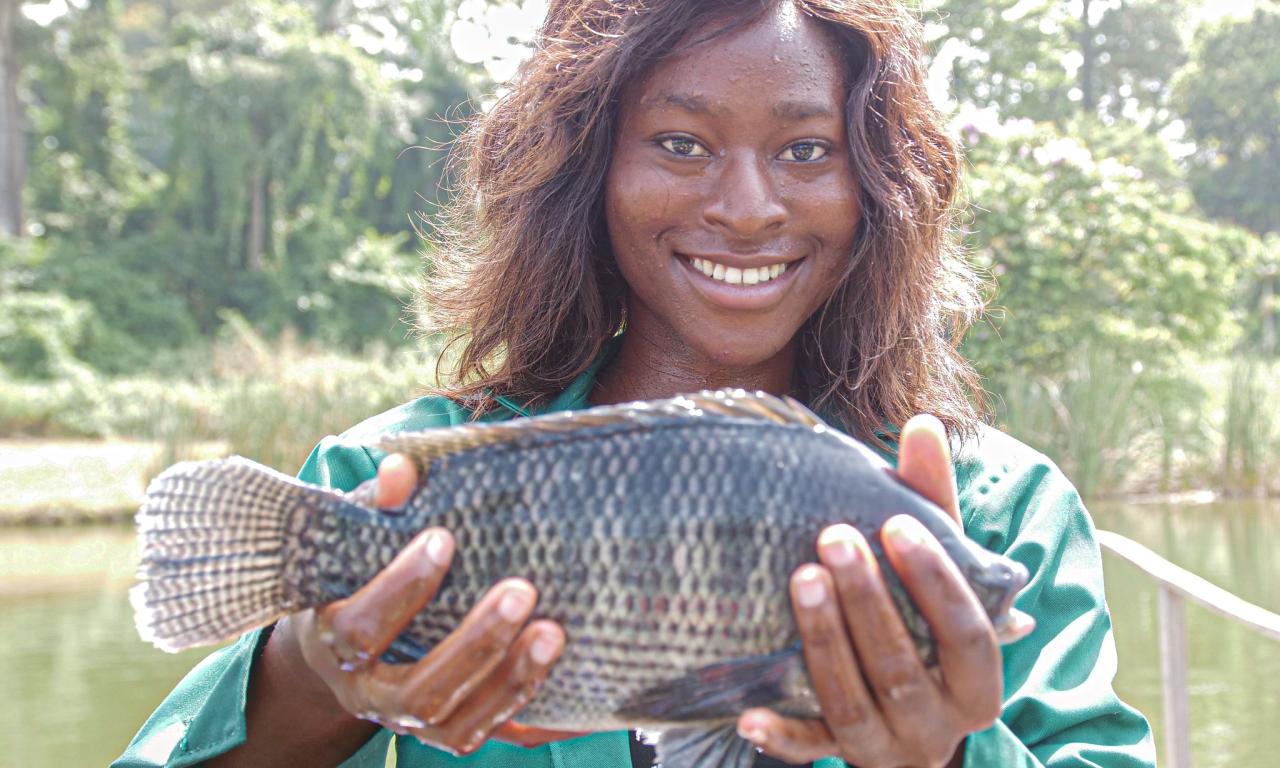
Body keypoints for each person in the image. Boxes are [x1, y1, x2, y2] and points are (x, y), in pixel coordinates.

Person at [115, 1, 1156, 766]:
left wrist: (949, 754)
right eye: (678, 142)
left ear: (877, 184)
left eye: (804, 148)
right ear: (587, 172)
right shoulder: (383, 480)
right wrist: (312, 676)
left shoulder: (1000, 515)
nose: (746, 206)